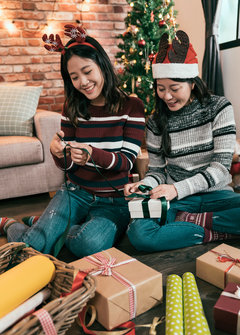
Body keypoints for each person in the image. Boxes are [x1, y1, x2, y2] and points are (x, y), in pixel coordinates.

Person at [0, 24, 145, 258]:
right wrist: (60, 154)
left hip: (114, 200)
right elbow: (69, 167)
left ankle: (43, 225)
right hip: (75, 192)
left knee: (88, 245)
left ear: (102, 65)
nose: (83, 82)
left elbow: (126, 162)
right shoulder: (72, 107)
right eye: (74, 77)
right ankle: (11, 225)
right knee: (32, 248)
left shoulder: (132, 107)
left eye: (87, 71)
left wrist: (91, 152)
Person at [124, 30, 240, 252]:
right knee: (139, 234)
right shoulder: (156, 122)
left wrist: (177, 189)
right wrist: (144, 185)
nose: (166, 96)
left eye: (174, 88)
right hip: (177, 202)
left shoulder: (219, 108)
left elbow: (221, 167)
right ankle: (215, 230)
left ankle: (193, 224)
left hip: (216, 195)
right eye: (161, 88)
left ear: (192, 83)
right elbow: (157, 171)